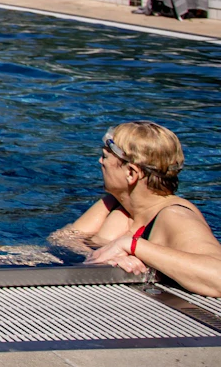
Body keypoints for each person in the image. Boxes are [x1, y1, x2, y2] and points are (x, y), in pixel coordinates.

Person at [53, 121, 221, 295]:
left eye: (105, 156)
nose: (100, 161)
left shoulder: (174, 216)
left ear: (131, 173)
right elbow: (60, 240)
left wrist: (131, 246)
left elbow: (218, 277)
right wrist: (102, 256)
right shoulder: (115, 203)